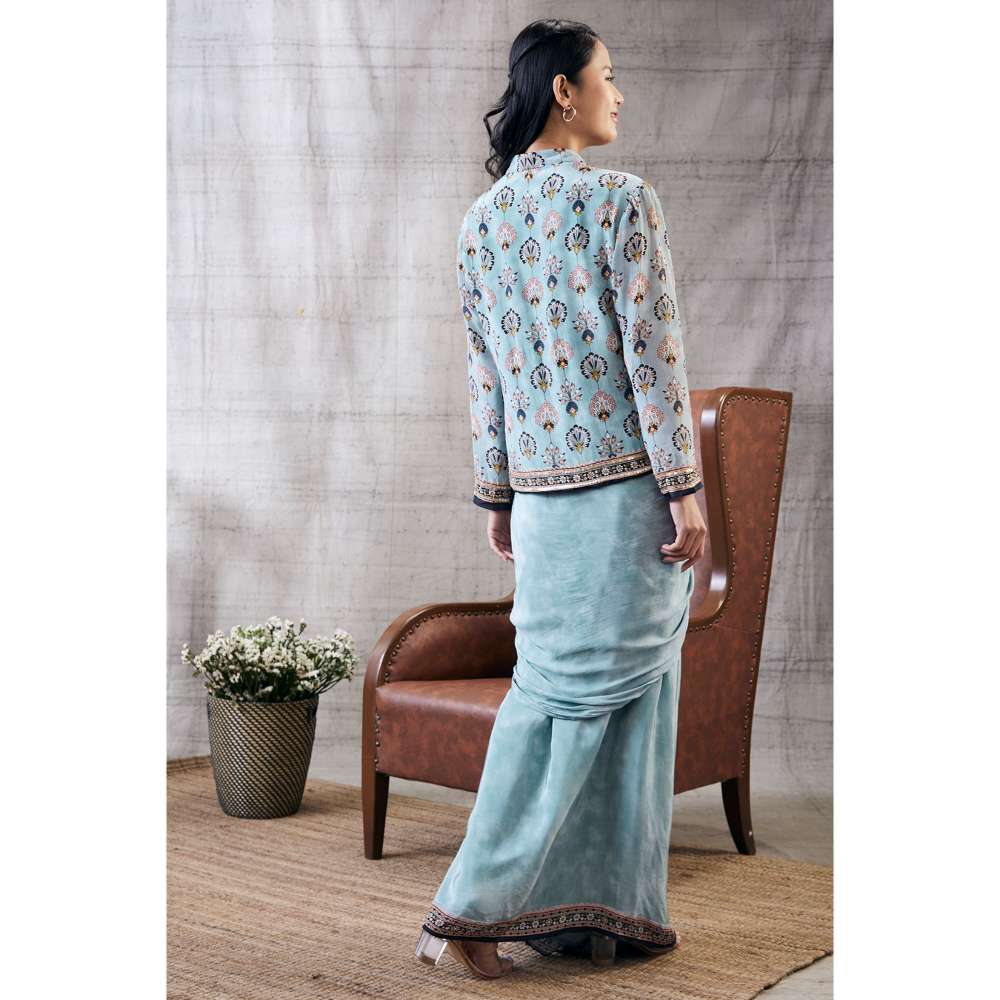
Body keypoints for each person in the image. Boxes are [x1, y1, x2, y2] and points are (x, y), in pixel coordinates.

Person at [416, 18, 707, 980]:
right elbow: (654, 362)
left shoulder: (481, 221)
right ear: (564, 92)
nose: (619, 94)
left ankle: (600, 914)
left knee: (601, 700)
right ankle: (471, 908)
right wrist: (685, 491)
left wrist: (498, 497)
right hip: (626, 502)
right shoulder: (623, 201)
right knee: (582, 705)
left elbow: (486, 378)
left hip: (541, 508)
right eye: (607, 76)